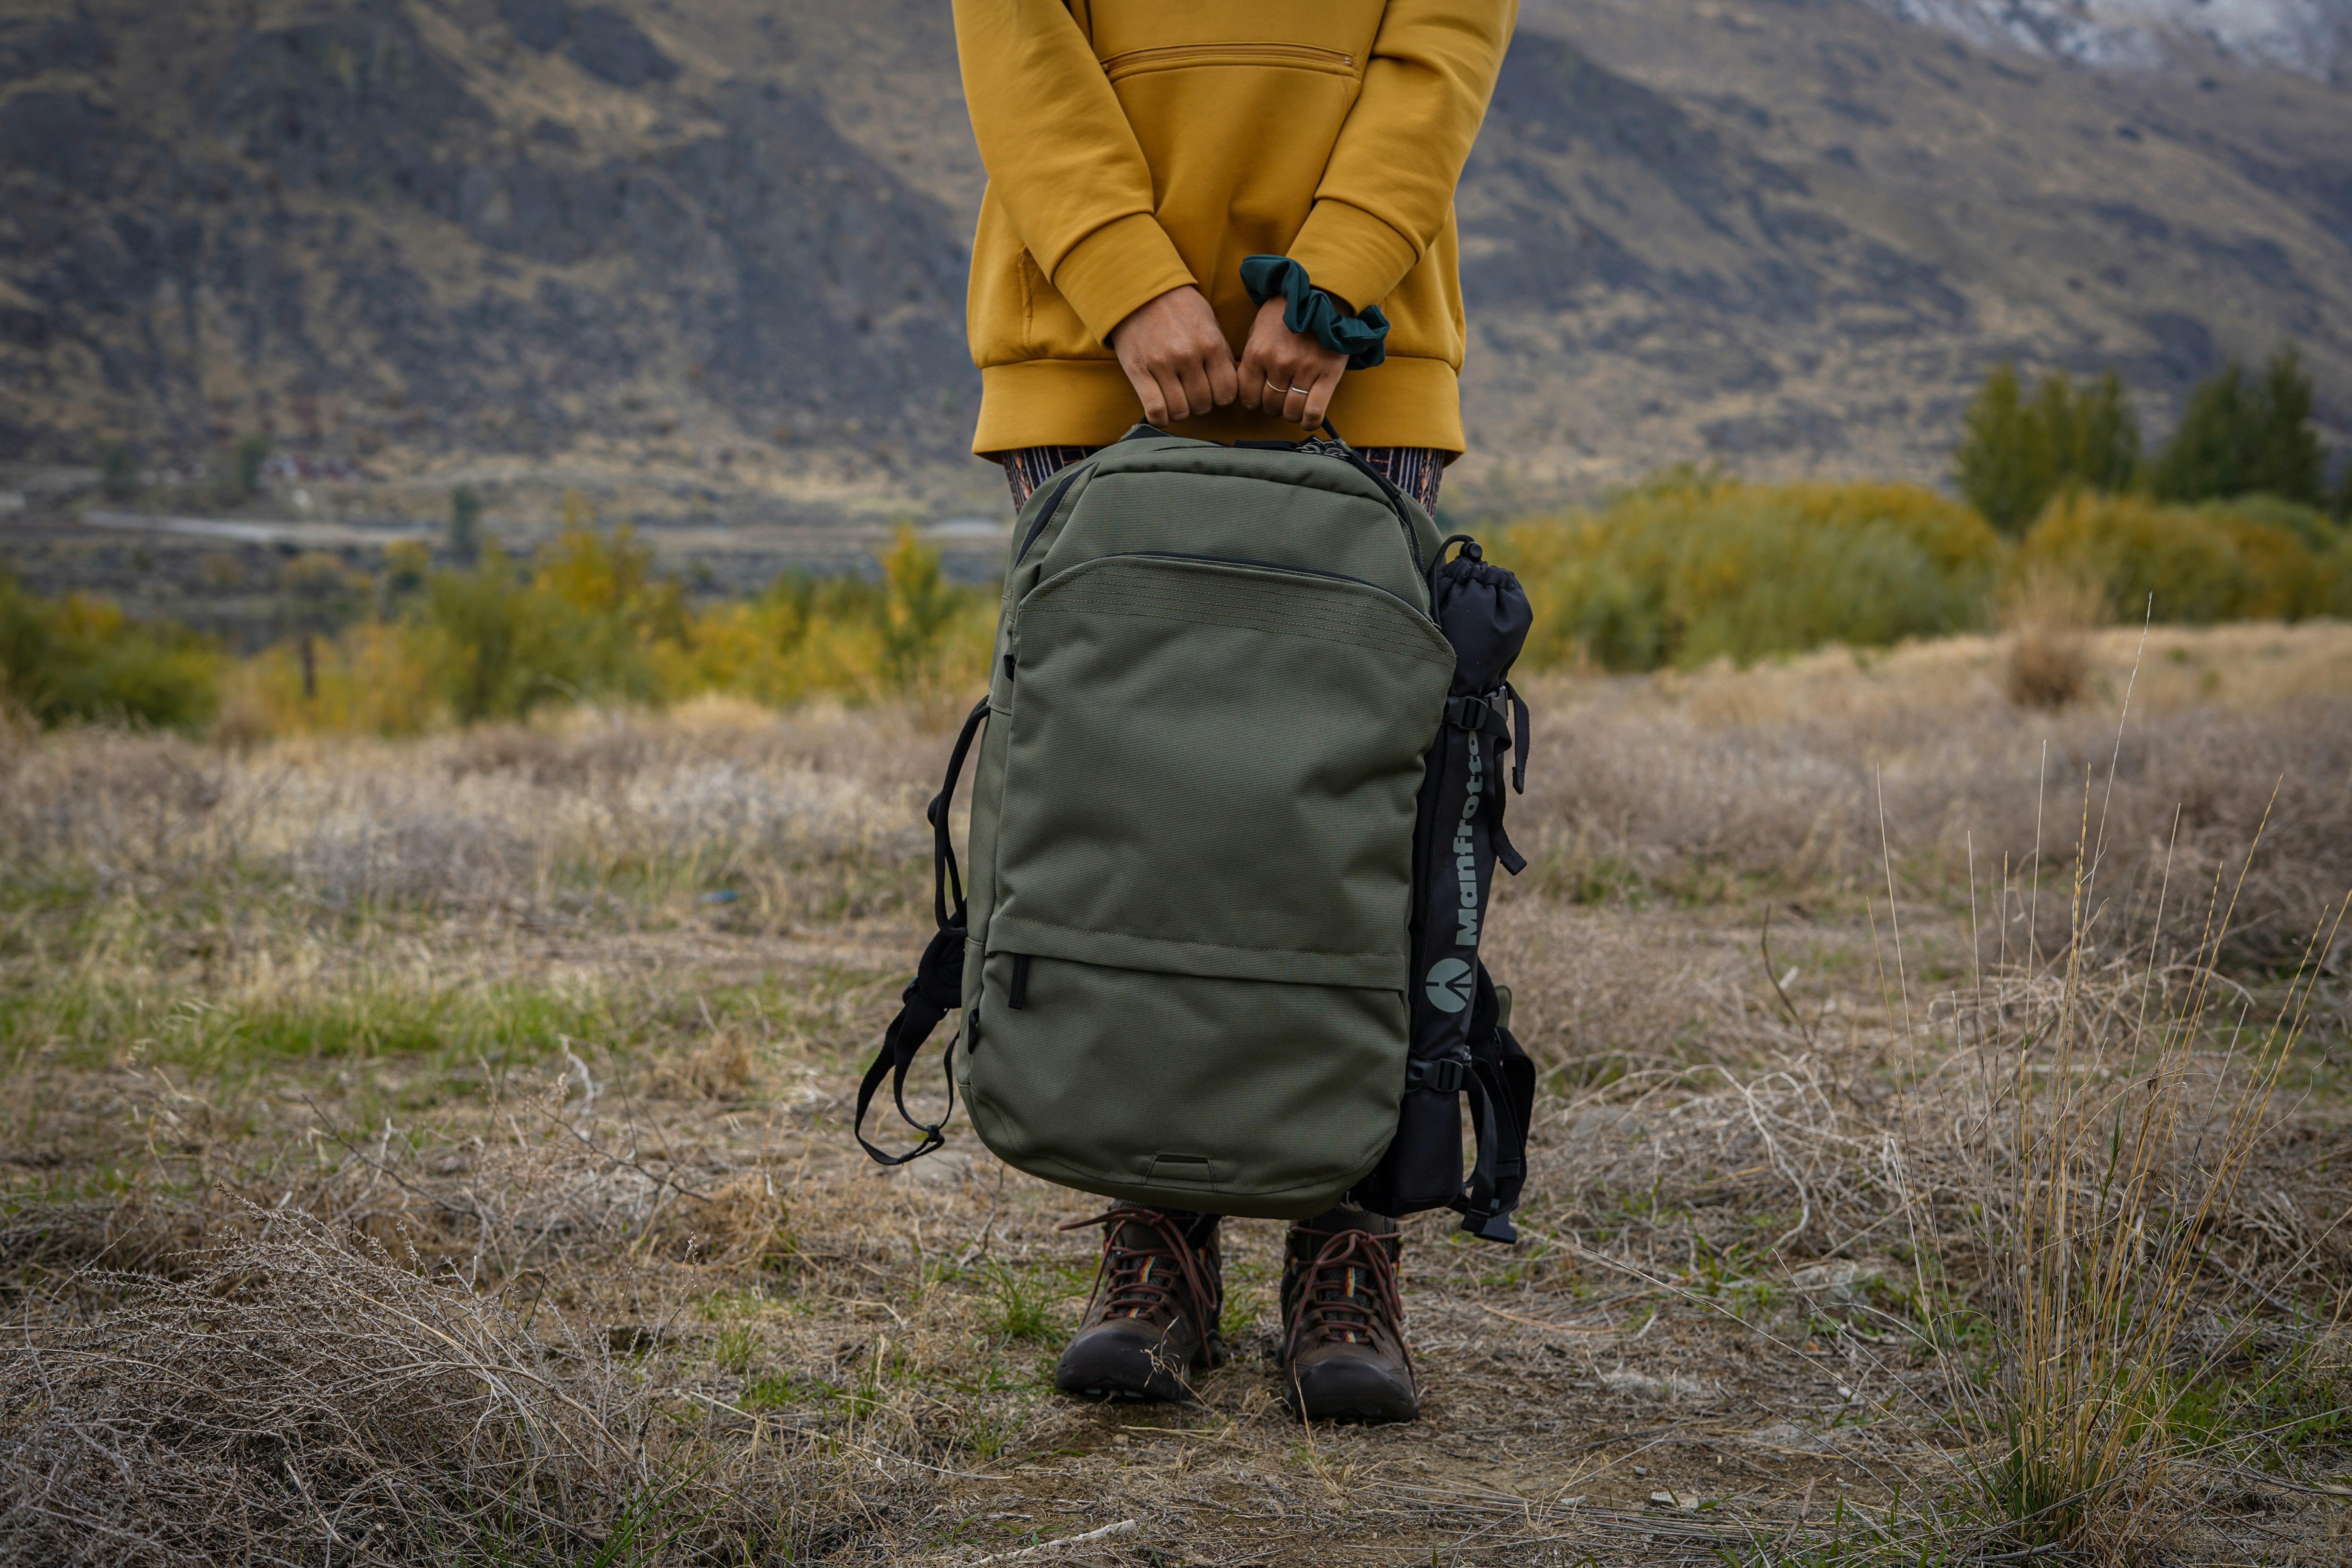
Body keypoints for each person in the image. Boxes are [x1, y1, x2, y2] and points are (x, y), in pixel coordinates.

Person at [949, 0, 1518, 1423]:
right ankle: (1155, 1242)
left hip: (1359, 340)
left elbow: (1446, 34)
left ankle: (1349, 1241)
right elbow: (1013, 31)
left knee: (1342, 816)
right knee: (1133, 811)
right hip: (1089, 345)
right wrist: (1124, 280)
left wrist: (1330, 285)